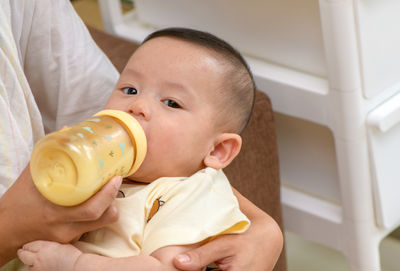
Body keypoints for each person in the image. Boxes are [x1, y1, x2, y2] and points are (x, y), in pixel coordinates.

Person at [0, 0, 283, 270]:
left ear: (217, 151)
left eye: (171, 102)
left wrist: (74, 264)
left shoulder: (192, 193)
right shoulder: (100, 167)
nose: (138, 106)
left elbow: (167, 267)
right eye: (130, 89)